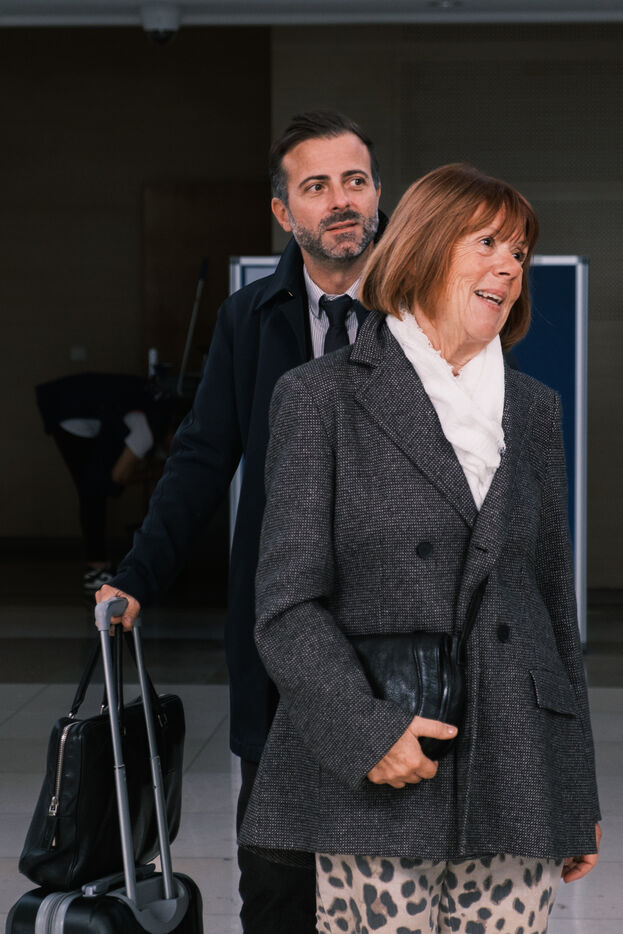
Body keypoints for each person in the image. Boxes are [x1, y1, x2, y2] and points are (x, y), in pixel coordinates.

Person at [239, 163, 601, 933]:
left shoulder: (533, 409)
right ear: (425, 248)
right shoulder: (321, 397)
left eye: (519, 251)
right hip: (383, 765)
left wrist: (573, 796)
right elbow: (285, 605)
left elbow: (549, 609)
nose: (509, 266)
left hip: (514, 765)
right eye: (487, 243)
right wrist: (366, 733)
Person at [96, 111, 385, 933]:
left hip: (397, 628)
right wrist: (137, 575)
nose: (340, 201)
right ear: (283, 213)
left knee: (391, 880)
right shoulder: (249, 317)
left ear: (379, 195)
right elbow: (201, 455)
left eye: (355, 181)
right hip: (282, 625)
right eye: (316, 186)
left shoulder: (424, 311)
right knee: (278, 881)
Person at [36, 372, 181, 591]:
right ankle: (96, 568)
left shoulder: (158, 406)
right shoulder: (149, 426)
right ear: (173, 433)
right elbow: (118, 476)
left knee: (93, 488)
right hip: (71, 411)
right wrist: (152, 475)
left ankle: (97, 565)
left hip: (68, 400)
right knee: (92, 490)